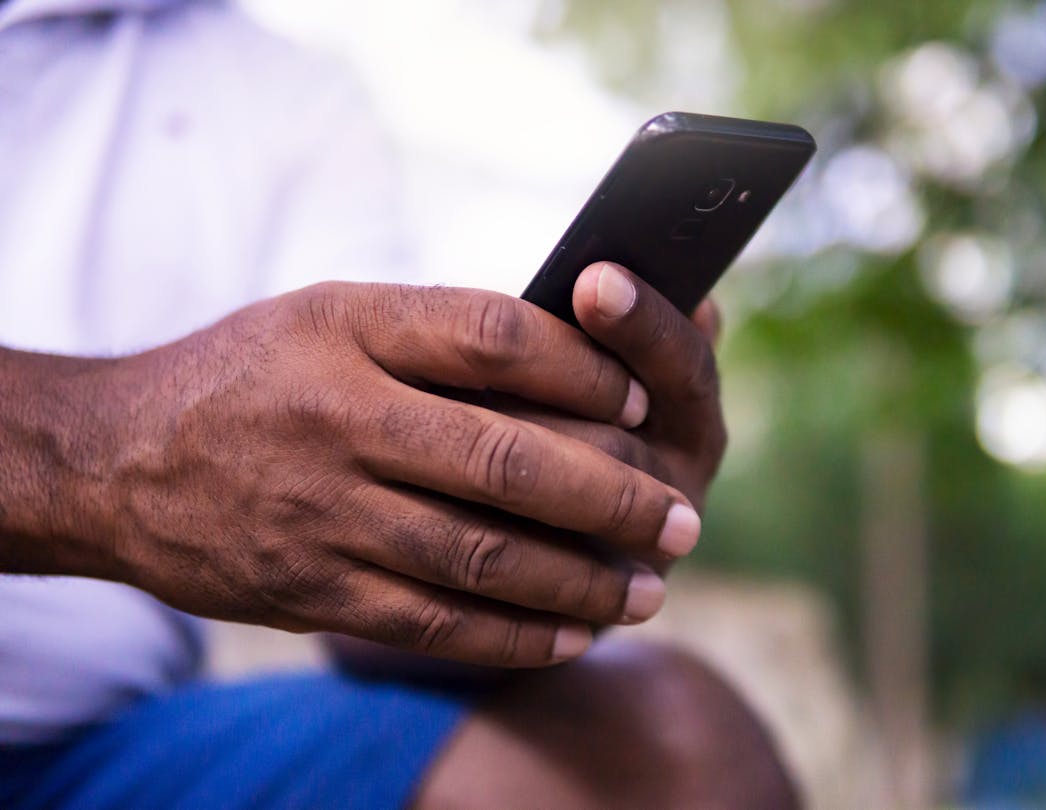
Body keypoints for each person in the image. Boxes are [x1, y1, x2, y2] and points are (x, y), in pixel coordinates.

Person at [0, 0, 799, 806]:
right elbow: (144, 458)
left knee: (677, 748)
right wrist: (108, 458)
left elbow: (350, 592)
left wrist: (523, 541)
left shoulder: (293, 95)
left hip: (101, 751)